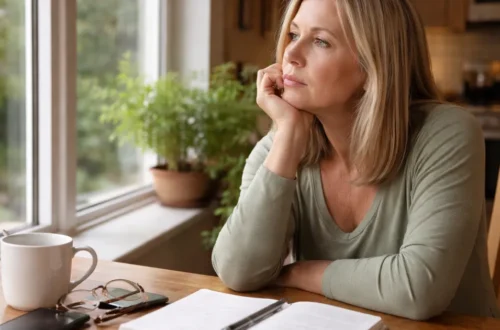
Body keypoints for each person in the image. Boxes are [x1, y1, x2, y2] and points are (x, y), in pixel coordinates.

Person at [211, 0, 500, 320]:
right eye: (293, 34)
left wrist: (296, 273)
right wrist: (288, 137)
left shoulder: (445, 133)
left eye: (320, 41)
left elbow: (419, 290)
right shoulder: (281, 148)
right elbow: (238, 271)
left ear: (374, 62)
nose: (290, 55)